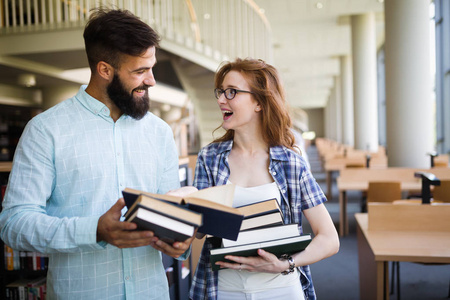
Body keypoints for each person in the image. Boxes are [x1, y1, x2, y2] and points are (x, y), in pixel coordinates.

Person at [0, 8, 197, 299]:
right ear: (105, 70)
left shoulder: (159, 132)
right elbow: (14, 225)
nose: (152, 80)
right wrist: (94, 230)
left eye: (151, 67)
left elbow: (170, 213)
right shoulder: (45, 130)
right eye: (140, 71)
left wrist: (181, 242)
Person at [189, 58, 339, 300]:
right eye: (220, 92)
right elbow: (196, 230)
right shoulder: (210, 157)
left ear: (259, 101)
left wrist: (287, 263)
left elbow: (330, 239)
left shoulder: (291, 163)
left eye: (232, 92)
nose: (220, 100)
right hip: (223, 290)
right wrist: (183, 206)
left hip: (281, 288)